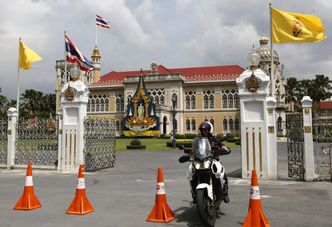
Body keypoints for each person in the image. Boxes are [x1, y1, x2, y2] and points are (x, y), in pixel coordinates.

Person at [197, 121, 230, 204]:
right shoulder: (199, 140)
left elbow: (220, 143)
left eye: (206, 130)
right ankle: (195, 193)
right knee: (192, 171)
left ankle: (224, 193)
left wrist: (223, 147)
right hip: (202, 160)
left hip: (213, 159)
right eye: (203, 130)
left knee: (220, 172)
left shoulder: (213, 138)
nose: (204, 131)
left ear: (209, 130)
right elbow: (194, 148)